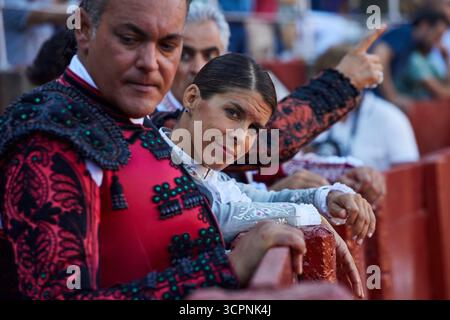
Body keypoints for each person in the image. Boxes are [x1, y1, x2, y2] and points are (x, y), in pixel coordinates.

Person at [0, 0, 309, 300]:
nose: (150, 63)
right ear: (83, 29)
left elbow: (263, 139)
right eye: (130, 39)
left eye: (168, 46)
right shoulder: (49, 138)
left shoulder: (136, 117)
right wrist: (227, 268)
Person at [159, 53, 370, 297]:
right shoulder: (157, 157)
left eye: (253, 128)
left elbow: (260, 200)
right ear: (192, 98)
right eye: (233, 113)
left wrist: (325, 198)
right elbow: (217, 215)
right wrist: (307, 215)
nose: (239, 136)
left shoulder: (206, 170)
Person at [309, 44, 420, 171]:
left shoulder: (390, 118)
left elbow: (406, 175)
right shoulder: (309, 116)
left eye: (343, 80)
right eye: (325, 82)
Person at [373, 8, 449, 110]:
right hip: (374, 100)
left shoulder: (414, 46)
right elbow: (379, 55)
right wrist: (392, 96)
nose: (437, 42)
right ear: (424, 25)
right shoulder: (405, 33)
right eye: (437, 35)